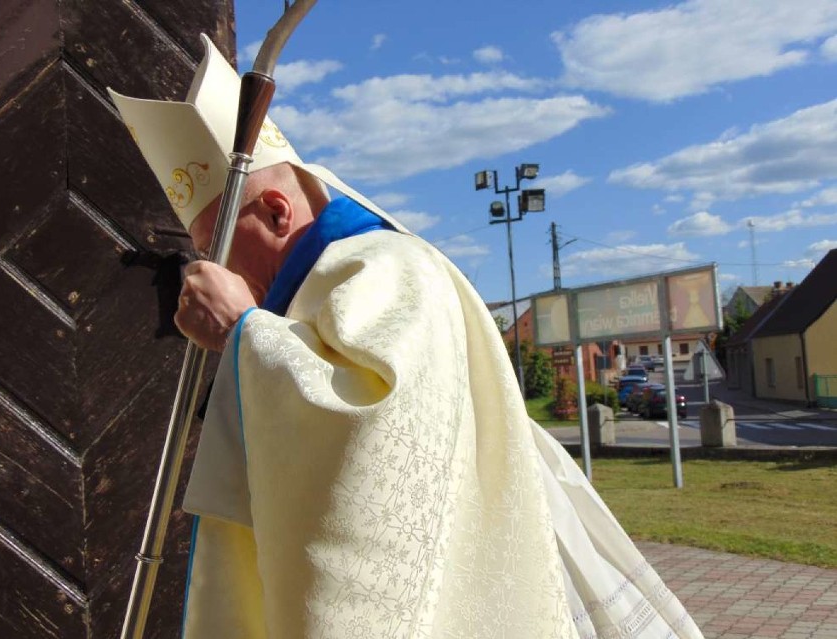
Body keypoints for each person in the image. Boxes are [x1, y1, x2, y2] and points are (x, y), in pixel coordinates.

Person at [111, 35, 704, 639]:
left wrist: (244, 331)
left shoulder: (387, 269)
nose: (215, 271)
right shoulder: (316, 285)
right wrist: (248, 339)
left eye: (218, 248)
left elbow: (375, 429)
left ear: (275, 211)